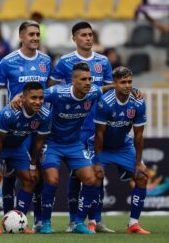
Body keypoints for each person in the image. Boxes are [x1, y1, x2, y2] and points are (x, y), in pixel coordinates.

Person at [49, 21, 114, 233]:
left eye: (90, 34)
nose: (88, 38)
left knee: (98, 172)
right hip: (76, 128)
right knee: (77, 175)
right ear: (74, 38)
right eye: (83, 35)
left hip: (98, 127)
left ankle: (96, 219)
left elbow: (107, 92)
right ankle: (73, 220)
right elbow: (53, 89)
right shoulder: (65, 62)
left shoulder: (103, 61)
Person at [38, 62, 112, 234]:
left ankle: (78, 223)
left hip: (74, 145)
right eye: (84, 79)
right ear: (73, 81)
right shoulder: (58, 92)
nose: (88, 83)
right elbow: (37, 94)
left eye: (90, 79)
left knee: (91, 179)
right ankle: (45, 223)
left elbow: (104, 89)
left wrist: (121, 87)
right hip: (52, 143)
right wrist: (19, 98)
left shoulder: (93, 92)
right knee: (52, 179)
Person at [0, 20, 52, 231]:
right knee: (10, 177)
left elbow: (47, 90)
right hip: (16, 126)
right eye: (31, 34)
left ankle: (38, 219)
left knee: (37, 172)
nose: (35, 38)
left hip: (37, 124)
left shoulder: (46, 61)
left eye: (37, 34)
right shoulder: (7, 61)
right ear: (21, 37)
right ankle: (10, 220)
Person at [90, 66, 150, 234]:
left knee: (142, 176)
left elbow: (138, 136)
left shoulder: (137, 101)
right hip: (104, 147)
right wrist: (97, 161)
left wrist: (138, 163)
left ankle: (133, 224)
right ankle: (94, 222)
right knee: (95, 178)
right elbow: (99, 134)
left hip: (123, 146)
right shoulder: (105, 102)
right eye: (123, 82)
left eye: (130, 82)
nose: (127, 85)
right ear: (115, 83)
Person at [0, 82, 51, 234]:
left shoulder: (45, 115)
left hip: (17, 147)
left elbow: (39, 142)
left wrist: (32, 166)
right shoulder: (10, 113)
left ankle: (19, 221)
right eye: (33, 98)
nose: (38, 101)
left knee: (31, 180)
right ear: (23, 98)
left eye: (41, 98)